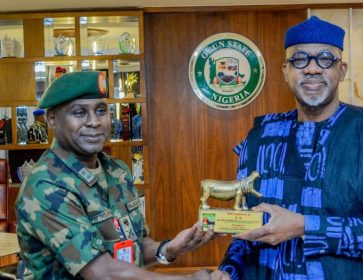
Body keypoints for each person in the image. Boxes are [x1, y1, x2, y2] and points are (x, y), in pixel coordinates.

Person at [218, 16, 363, 280]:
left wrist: (306, 227)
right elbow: (248, 229)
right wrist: (228, 270)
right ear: (285, 71)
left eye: (325, 59)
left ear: (342, 70)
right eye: (299, 59)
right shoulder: (261, 137)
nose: (312, 69)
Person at [15, 71, 230, 280]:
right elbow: (103, 273)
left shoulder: (116, 170)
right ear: (52, 120)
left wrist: (170, 248)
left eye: (101, 111)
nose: (94, 122)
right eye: (80, 113)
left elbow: (132, 246)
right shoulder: (45, 186)